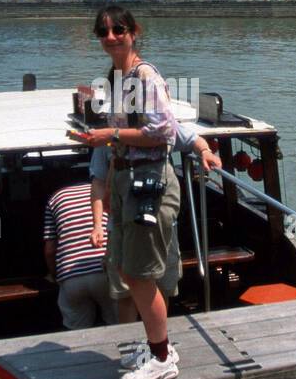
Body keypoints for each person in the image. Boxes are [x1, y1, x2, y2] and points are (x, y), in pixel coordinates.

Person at [70, 6, 182, 379]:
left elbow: (163, 130)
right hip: (125, 181)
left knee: (140, 273)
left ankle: (163, 356)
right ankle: (155, 347)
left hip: (148, 181)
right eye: (103, 31)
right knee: (125, 269)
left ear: (134, 31)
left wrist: (109, 137)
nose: (111, 37)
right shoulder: (115, 78)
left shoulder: (144, 75)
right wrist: (102, 142)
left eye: (118, 30)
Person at [90, 121, 221, 366]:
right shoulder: (107, 132)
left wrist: (204, 152)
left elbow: (192, 138)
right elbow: (99, 181)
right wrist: (98, 224)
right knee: (127, 290)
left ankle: (159, 346)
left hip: (155, 215)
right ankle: (131, 348)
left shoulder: (157, 122)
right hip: (122, 220)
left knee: (161, 282)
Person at [43, 182, 116, 329]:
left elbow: (50, 250)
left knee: (78, 334)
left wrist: (56, 276)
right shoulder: (105, 191)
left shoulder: (55, 199)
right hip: (104, 270)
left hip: (71, 277)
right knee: (117, 326)